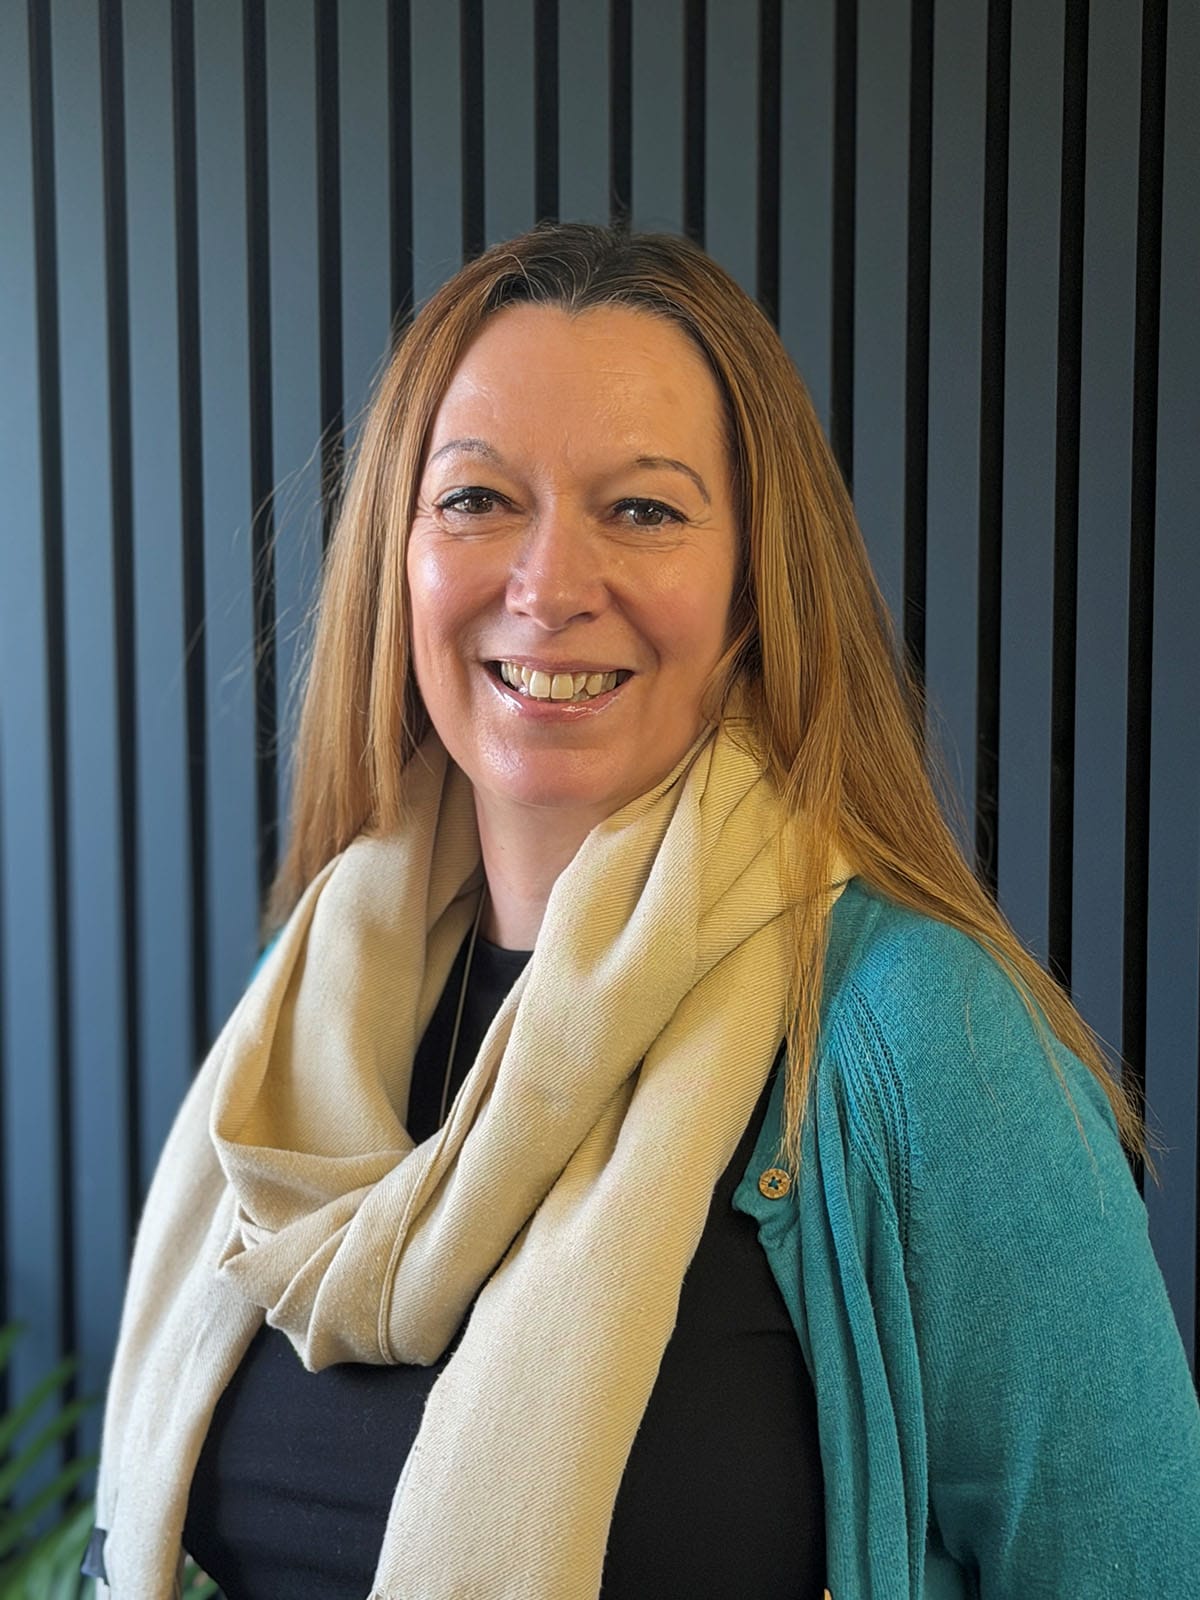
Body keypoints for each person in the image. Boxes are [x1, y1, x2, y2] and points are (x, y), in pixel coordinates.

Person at [86, 222, 1200, 1600]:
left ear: (753, 585)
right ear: (399, 557)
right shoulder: (307, 999)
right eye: (478, 499)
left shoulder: (922, 1044)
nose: (550, 587)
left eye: (645, 511)